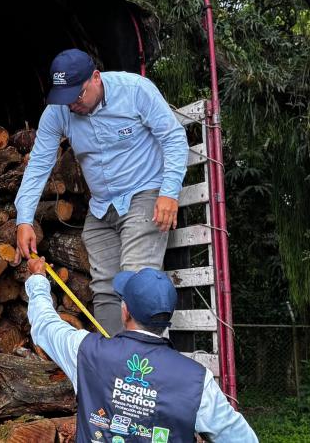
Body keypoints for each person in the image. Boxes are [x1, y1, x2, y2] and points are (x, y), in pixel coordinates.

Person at [14, 48, 189, 334]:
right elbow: (39, 165)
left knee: (137, 283)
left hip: (143, 194)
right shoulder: (59, 111)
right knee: (105, 290)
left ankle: (145, 360)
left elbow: (173, 137)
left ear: (96, 77)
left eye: (77, 95)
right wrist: (24, 219)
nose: (72, 104)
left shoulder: (135, 90)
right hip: (101, 207)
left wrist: (169, 192)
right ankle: (113, 356)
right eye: (65, 98)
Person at [26, 259, 258, 443]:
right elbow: (241, 439)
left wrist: (38, 278)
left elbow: (44, 324)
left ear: (125, 311)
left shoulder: (86, 351)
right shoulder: (197, 380)